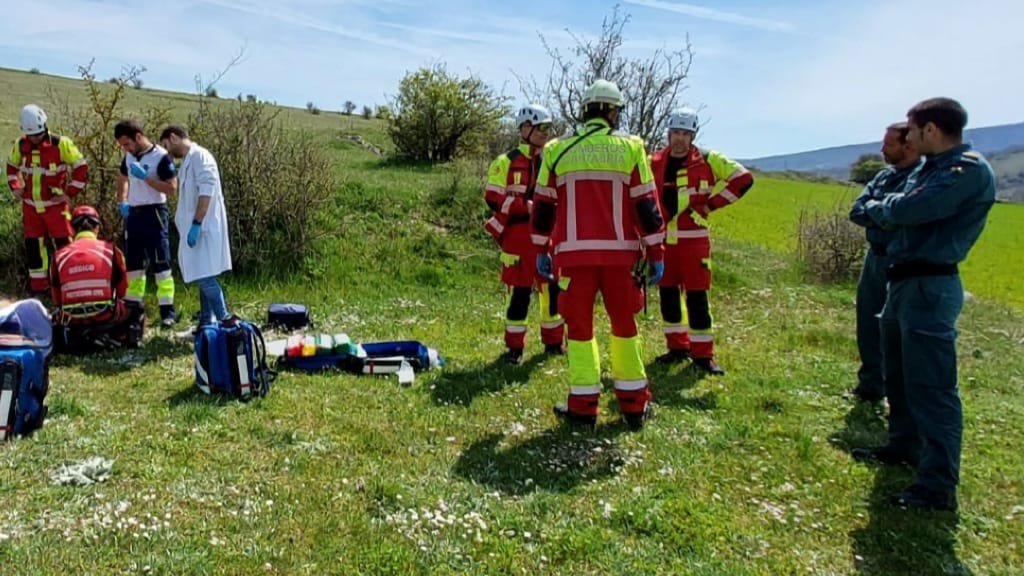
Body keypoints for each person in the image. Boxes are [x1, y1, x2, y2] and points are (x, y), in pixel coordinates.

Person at [856, 97, 996, 511]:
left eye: (914, 131)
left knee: (932, 387)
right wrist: (891, 211)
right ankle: (903, 445)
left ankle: (937, 485)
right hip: (902, 281)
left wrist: (886, 210)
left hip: (930, 286)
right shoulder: (929, 168)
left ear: (931, 129)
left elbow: (913, 208)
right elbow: (891, 208)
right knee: (898, 374)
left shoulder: (964, 170)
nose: (911, 139)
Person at [530, 79, 666, 429]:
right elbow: (647, 206)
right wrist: (656, 252)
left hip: (573, 259)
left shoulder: (556, 150)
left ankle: (583, 406)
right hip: (622, 259)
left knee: (579, 329)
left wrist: (539, 249)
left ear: (585, 110)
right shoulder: (632, 147)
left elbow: (543, 207)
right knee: (625, 326)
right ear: (610, 111)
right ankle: (634, 405)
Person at [649, 107, 753, 375]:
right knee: (668, 298)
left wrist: (710, 206)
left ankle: (703, 355)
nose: (679, 139)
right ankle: (677, 348)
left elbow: (743, 179)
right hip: (664, 243)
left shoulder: (707, 159)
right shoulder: (654, 161)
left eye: (685, 133)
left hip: (694, 242)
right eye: (675, 133)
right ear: (668, 133)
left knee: (697, 299)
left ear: (693, 135)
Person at [484, 104, 565, 364]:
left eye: (549, 128)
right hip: (517, 238)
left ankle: (554, 342)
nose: (546, 133)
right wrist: (524, 206)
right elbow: (493, 198)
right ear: (525, 128)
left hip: (546, 236)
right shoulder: (505, 161)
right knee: (518, 295)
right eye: (542, 127)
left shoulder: (552, 161)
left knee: (552, 292)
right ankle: (514, 348)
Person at [848, 123, 922, 402]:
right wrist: (885, 211)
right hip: (874, 256)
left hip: (900, 258)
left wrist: (877, 209)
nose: (881, 149)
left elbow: (904, 215)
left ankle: (900, 393)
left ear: (909, 146)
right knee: (867, 321)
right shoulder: (882, 176)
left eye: (889, 144)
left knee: (897, 327)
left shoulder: (919, 178)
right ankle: (870, 386)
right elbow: (857, 211)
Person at [6, 104, 89, 293]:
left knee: (64, 245)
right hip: (30, 208)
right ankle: (39, 288)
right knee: (34, 249)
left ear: (44, 127)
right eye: (31, 135)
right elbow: (11, 167)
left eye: (37, 134)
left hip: (56, 208)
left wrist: (69, 193)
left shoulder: (61, 144)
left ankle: (69, 285)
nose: (34, 138)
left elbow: (81, 168)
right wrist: (15, 187)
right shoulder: (21, 145)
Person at [159, 125, 233, 327]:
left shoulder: (200, 157)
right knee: (202, 275)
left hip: (204, 229)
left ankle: (225, 322)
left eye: (166, 146)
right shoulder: (188, 161)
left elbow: (206, 191)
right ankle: (206, 323)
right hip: (195, 229)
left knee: (206, 278)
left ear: (173, 138)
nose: (167, 153)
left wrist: (197, 224)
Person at [50, 205, 145, 352]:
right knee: (136, 304)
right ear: (97, 227)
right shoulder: (111, 250)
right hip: (105, 314)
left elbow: (57, 299)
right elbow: (122, 290)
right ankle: (129, 340)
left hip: (72, 318)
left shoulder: (58, 255)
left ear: (73, 230)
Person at [114, 119, 179, 327]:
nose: (125, 148)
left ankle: (167, 311)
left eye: (127, 144)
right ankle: (133, 309)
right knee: (134, 265)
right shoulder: (129, 156)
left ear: (138, 137)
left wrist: (147, 179)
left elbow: (171, 188)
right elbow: (122, 177)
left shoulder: (161, 157)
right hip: (134, 213)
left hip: (155, 213)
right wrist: (122, 200)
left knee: (161, 264)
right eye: (122, 146)